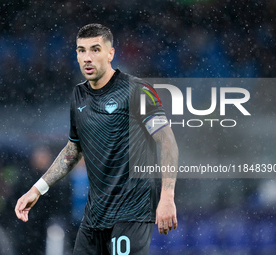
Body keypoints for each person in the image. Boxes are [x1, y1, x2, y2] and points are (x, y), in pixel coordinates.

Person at [15, 23, 179, 255]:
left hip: (132, 211)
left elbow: (167, 141)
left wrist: (167, 197)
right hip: (95, 216)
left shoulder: (137, 90)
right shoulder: (79, 95)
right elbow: (74, 148)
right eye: (81, 50)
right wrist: (37, 189)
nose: (87, 58)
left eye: (95, 49)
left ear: (110, 53)